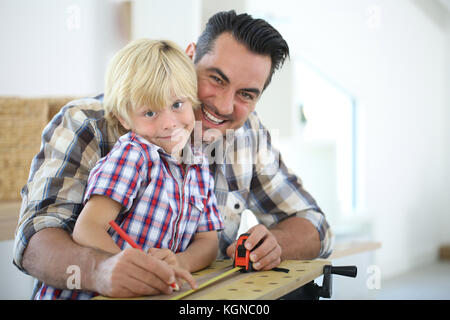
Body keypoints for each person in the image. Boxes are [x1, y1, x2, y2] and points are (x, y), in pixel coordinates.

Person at [14, 10, 334, 299]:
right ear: (190, 56)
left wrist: (276, 244)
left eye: (246, 94)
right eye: (216, 79)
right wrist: (102, 270)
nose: (224, 106)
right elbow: (34, 240)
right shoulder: (88, 123)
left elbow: (315, 224)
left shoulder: (243, 136)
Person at [32, 39, 224, 299]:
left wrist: (179, 262)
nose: (168, 123)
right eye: (150, 113)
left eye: (177, 104)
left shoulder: (199, 165)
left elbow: (208, 242)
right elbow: (88, 228)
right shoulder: (133, 156)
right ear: (124, 118)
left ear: (193, 100)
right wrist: (133, 268)